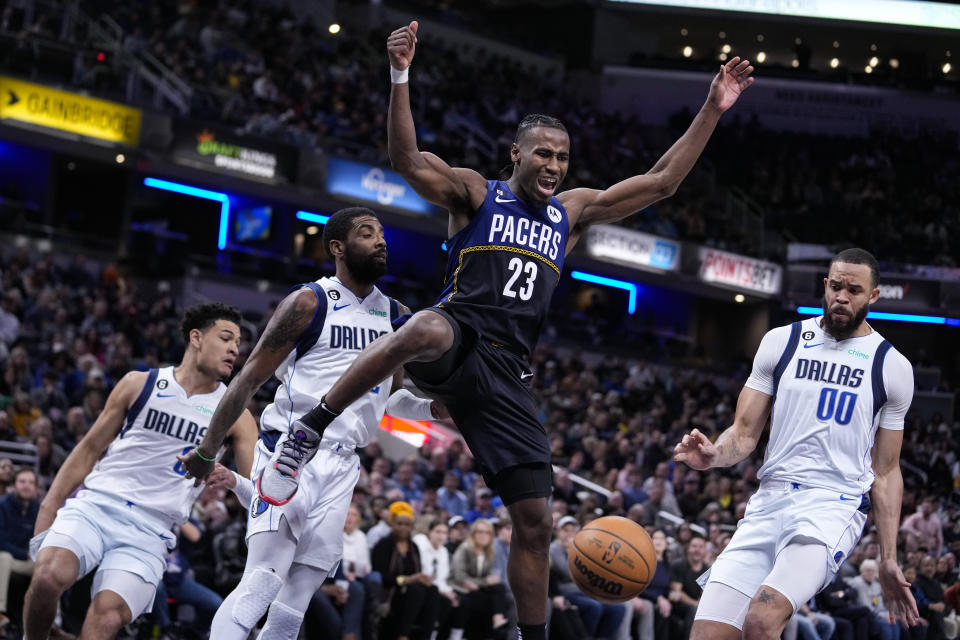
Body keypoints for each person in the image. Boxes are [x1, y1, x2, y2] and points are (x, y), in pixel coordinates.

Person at [252, 20, 754, 640]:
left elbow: (662, 182)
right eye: (542, 153)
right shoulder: (474, 194)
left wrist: (711, 107)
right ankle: (309, 428)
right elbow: (406, 158)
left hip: (510, 373)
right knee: (425, 329)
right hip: (459, 336)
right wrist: (401, 74)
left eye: (563, 157)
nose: (553, 165)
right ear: (515, 154)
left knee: (537, 521)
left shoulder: (573, 212)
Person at [178, 207, 447, 639]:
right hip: (291, 451)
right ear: (338, 248)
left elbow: (391, 398)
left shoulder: (397, 314)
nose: (381, 241)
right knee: (261, 583)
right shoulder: (310, 301)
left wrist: (432, 410)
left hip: (343, 464)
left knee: (295, 603)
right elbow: (248, 379)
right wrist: (208, 449)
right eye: (366, 234)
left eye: (382, 234)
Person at [674, 248, 920, 640]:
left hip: (831, 506)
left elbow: (887, 470)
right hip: (768, 501)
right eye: (836, 286)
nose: (842, 296)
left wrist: (888, 558)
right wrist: (715, 454)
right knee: (706, 634)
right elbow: (743, 433)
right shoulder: (781, 341)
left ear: (873, 296)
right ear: (825, 286)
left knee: (761, 619)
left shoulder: (891, 366)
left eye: (854, 290)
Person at [23, 303, 259, 640]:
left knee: (105, 618)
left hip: (151, 530)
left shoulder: (236, 414)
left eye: (238, 342)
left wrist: (233, 478)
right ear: (196, 337)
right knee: (47, 578)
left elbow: (257, 489)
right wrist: (49, 506)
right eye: (226, 338)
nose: (235, 348)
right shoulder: (140, 383)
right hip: (97, 506)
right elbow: (88, 449)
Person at [372, 502, 439, 640]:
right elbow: (382, 576)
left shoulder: (413, 547)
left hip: (412, 593)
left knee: (432, 589)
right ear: (392, 524)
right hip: (390, 593)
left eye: (407, 524)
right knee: (417, 590)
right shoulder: (383, 544)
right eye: (399, 523)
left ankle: (427, 635)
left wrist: (423, 579)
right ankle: (403, 635)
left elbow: (417, 572)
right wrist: (407, 580)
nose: (403, 527)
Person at [449, 518, 511, 638]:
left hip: (477, 588)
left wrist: (484, 582)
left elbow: (490, 577)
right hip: (461, 588)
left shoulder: (489, 551)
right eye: (480, 532)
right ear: (473, 534)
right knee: (487, 601)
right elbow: (459, 576)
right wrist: (485, 581)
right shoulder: (465, 548)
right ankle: (493, 626)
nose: (484, 536)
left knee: (499, 588)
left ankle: (498, 619)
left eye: (487, 533)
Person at [0, 468, 40, 633]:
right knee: (3, 557)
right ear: (14, 486)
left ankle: (51, 620)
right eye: (22, 482)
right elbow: (1, 541)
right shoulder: (2, 505)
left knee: (50, 567)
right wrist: (24, 553)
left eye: (31, 483)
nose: (27, 486)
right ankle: (0, 613)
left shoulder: (39, 508)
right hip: (10, 558)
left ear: (36, 488)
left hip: (28, 559)